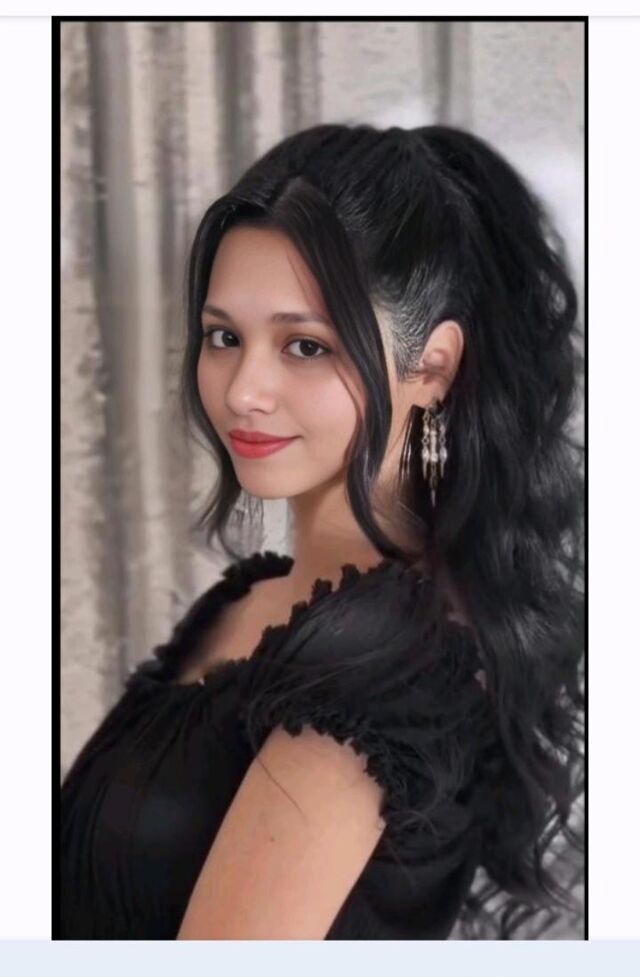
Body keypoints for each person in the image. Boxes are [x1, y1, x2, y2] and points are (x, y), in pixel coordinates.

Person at [60, 123, 584, 940]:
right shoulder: (250, 597)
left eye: (304, 345)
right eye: (224, 336)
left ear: (433, 367)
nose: (244, 390)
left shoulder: (386, 664)